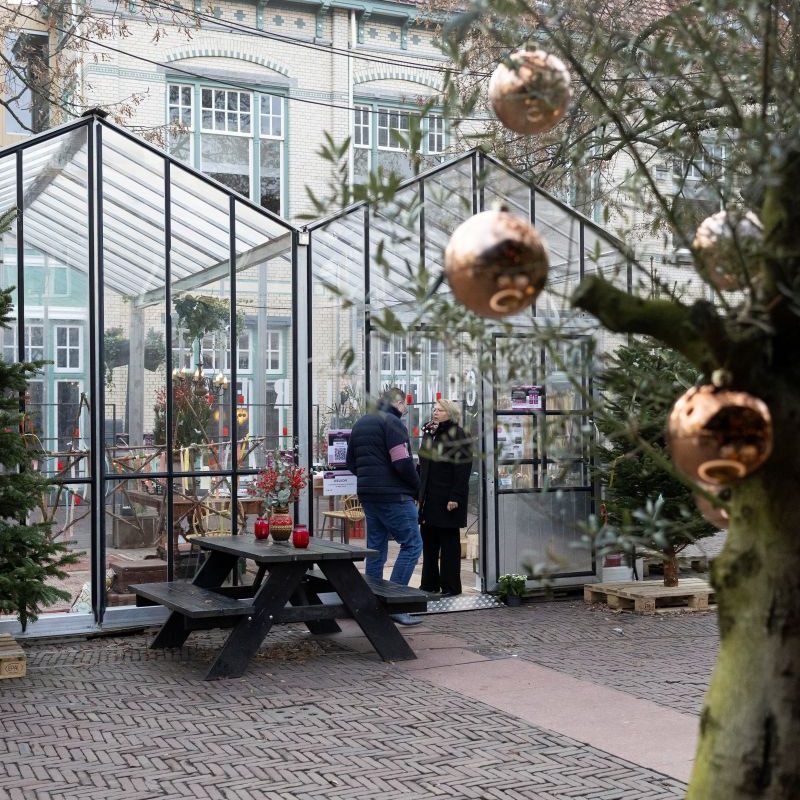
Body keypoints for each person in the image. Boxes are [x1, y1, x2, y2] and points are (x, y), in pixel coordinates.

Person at [346, 387, 423, 625]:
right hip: (394, 496)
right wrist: (417, 487)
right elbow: (401, 461)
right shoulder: (393, 423)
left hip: (368, 495)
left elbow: (350, 462)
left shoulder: (361, 423)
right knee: (412, 545)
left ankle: (371, 605)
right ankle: (395, 603)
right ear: (398, 403)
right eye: (404, 406)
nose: (404, 410)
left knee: (376, 548)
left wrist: (371, 479)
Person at [418, 398, 472, 597]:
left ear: (450, 413)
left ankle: (451, 586)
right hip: (430, 496)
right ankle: (429, 584)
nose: (435, 412)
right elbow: (423, 465)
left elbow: (463, 467)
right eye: (434, 409)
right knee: (429, 541)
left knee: (449, 543)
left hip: (448, 496)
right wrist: (420, 494)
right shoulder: (430, 433)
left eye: (440, 410)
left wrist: (455, 496)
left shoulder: (458, 435)